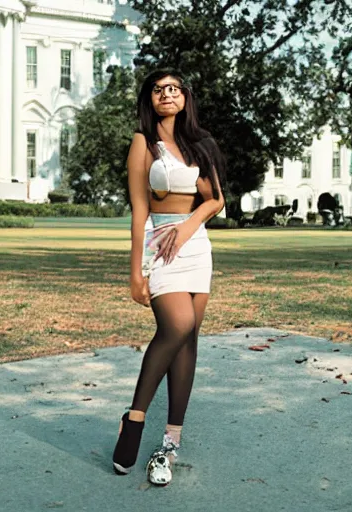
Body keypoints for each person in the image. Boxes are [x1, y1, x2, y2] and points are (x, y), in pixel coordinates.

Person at [112, 70, 227, 486]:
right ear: (150, 98)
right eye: (159, 89)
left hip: (195, 246)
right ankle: (135, 418)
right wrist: (135, 271)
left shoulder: (202, 143)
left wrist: (189, 224)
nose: (167, 94)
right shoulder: (143, 142)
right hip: (159, 244)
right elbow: (139, 210)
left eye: (174, 89)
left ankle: (170, 442)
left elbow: (215, 200)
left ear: (185, 97)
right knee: (176, 325)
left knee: (188, 337)